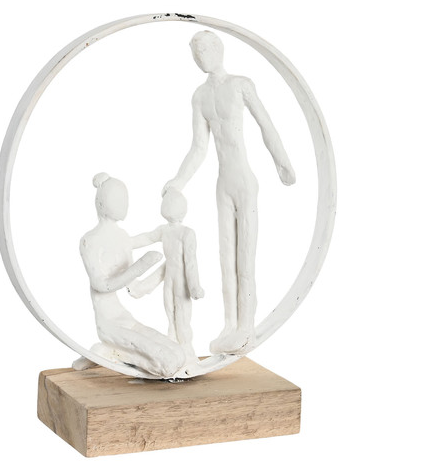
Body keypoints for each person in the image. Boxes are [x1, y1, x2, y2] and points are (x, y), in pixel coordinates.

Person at [163, 31, 296, 354]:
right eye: (196, 53)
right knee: (225, 255)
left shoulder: (240, 85)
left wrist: (283, 163)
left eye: (205, 50)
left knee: (244, 256)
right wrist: (178, 181)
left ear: (219, 49)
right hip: (222, 184)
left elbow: (266, 125)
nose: (201, 58)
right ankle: (229, 324)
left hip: (244, 182)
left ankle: (246, 325)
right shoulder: (199, 96)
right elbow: (199, 147)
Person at [73, 173, 186, 378]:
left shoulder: (122, 237)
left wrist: (167, 263)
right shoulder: (90, 241)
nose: (124, 204)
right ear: (101, 202)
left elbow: (137, 288)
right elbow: (101, 285)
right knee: (168, 363)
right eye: (118, 198)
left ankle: (108, 352)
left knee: (179, 354)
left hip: (125, 318)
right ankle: (110, 352)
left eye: (125, 199)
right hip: (108, 323)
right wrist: (141, 266)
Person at [129, 188, 204, 364]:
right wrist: (128, 243)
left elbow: (190, 262)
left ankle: (186, 350)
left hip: (180, 280)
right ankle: (175, 348)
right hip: (170, 278)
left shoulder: (186, 233)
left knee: (180, 314)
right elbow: (147, 238)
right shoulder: (166, 230)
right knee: (171, 311)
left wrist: (194, 287)